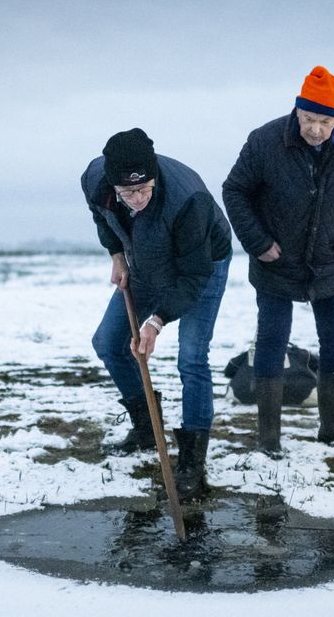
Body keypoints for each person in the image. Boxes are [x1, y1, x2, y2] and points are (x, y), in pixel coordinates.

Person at [223, 65, 334, 456]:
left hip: (331, 262)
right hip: (276, 262)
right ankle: (269, 438)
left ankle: (333, 427)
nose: (315, 129)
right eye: (308, 118)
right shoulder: (265, 140)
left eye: (325, 121)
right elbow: (234, 190)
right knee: (271, 343)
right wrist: (257, 242)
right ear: (297, 110)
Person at [83, 128, 232, 500]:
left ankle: (192, 463)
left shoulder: (187, 199)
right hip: (143, 262)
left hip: (202, 266)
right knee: (107, 341)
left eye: (144, 189)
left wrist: (157, 320)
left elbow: (194, 273)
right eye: (127, 193)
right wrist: (116, 253)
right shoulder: (95, 180)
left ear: (154, 177)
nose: (137, 200)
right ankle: (147, 428)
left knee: (192, 358)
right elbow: (102, 217)